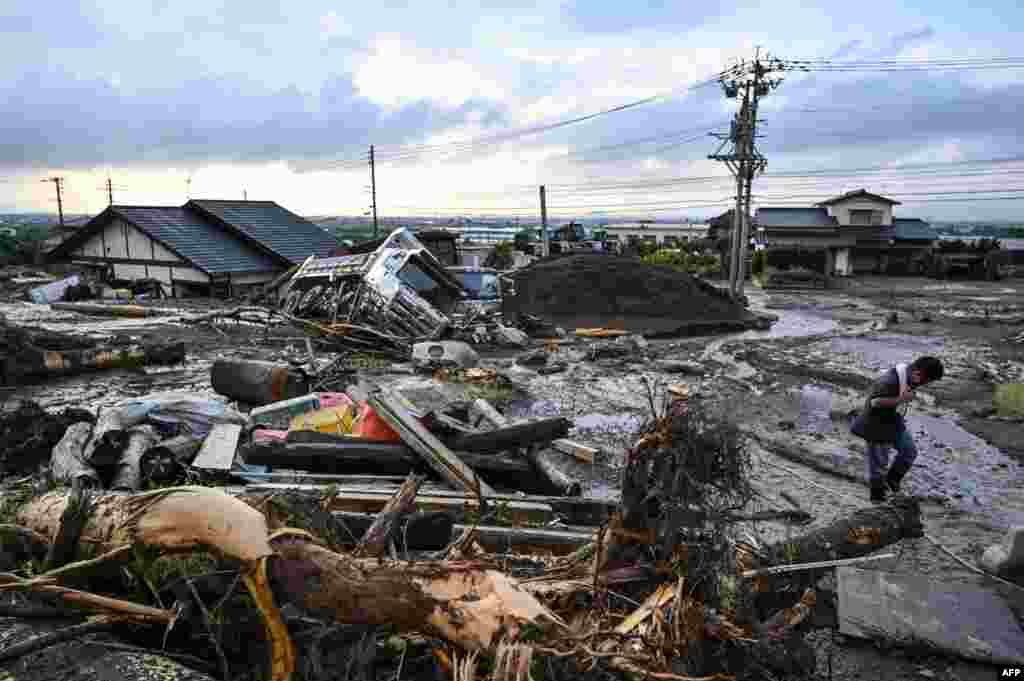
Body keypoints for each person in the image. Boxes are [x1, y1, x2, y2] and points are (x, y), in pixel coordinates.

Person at [850, 356, 945, 502]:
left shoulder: (911, 376)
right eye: (927, 381)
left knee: (909, 452)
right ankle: (877, 498)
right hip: (876, 426)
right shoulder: (889, 380)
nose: (925, 384)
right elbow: (875, 402)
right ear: (917, 373)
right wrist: (902, 399)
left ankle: (891, 481)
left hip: (894, 422)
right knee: (879, 464)